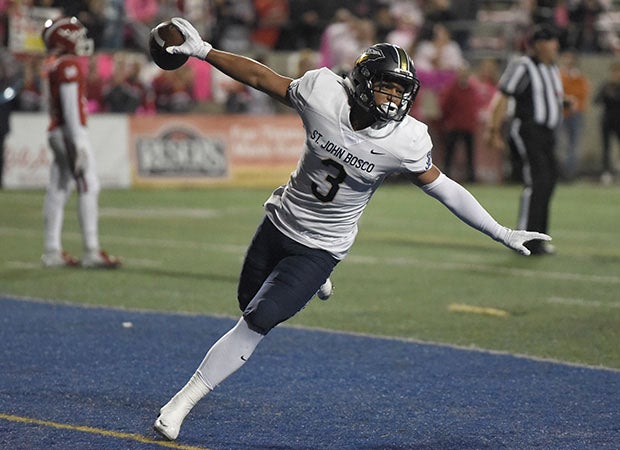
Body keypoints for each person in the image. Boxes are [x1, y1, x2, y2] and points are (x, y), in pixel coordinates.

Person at [152, 17, 551, 442]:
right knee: (246, 299)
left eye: (401, 90)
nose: (395, 98)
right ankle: (313, 283)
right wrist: (203, 51)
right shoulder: (322, 94)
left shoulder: (405, 139)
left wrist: (501, 232)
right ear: (361, 81)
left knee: (258, 319)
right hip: (280, 219)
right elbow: (261, 76)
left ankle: (181, 403)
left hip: (323, 245)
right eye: (387, 86)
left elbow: (446, 190)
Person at [40, 16, 121, 268]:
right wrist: (79, 141)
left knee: (58, 188)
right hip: (68, 131)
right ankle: (91, 250)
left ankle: (52, 249)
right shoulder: (68, 65)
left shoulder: (56, 64)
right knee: (89, 185)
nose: (83, 41)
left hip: (58, 130)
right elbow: (70, 107)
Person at [486, 24, 563, 256]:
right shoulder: (523, 65)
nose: (555, 45)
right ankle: (524, 238)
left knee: (548, 182)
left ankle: (538, 238)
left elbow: (546, 98)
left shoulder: (552, 68)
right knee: (536, 181)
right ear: (539, 44)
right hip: (528, 129)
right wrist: (493, 129)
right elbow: (503, 95)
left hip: (548, 133)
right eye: (550, 40)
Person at [558, 51, 589, 181]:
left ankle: (569, 174)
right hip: (561, 113)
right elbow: (558, 91)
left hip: (575, 114)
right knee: (559, 144)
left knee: (573, 145)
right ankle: (559, 171)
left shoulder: (579, 77)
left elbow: (582, 93)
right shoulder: (559, 75)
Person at [593, 60, 620, 185]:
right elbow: (596, 100)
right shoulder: (606, 86)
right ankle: (606, 172)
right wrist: (606, 95)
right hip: (607, 120)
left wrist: (613, 97)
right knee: (606, 148)